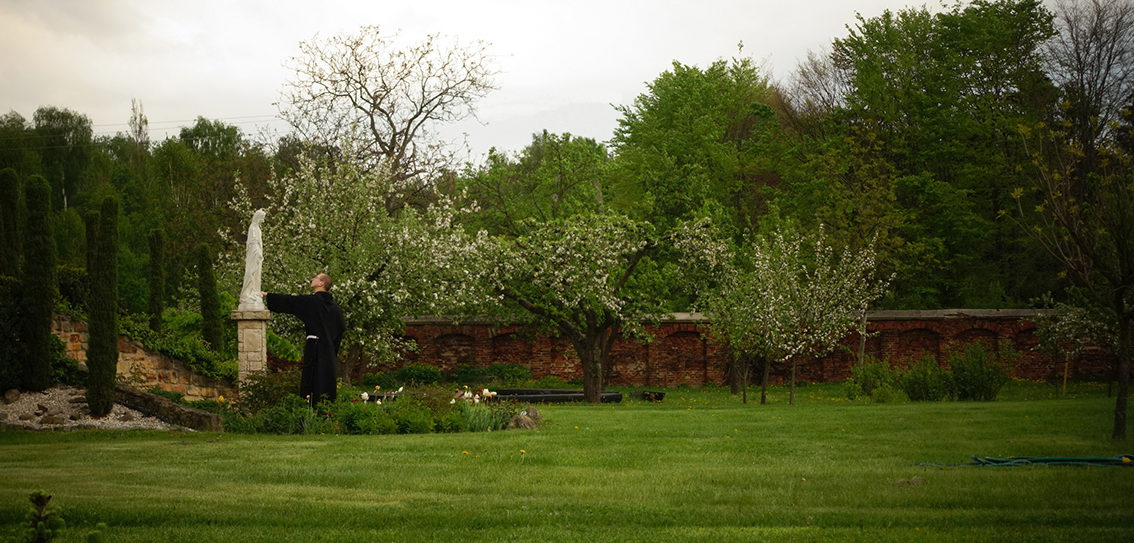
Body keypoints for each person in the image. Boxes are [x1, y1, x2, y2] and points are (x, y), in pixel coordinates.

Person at [262, 273, 345, 405]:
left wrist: (267, 295)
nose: (312, 279)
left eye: (316, 278)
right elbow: (340, 329)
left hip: (315, 346)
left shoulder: (313, 302)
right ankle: (326, 408)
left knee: (312, 380)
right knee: (325, 379)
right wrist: (332, 348)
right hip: (329, 350)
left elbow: (291, 301)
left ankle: (310, 408)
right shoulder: (336, 308)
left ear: (321, 283)